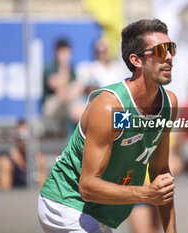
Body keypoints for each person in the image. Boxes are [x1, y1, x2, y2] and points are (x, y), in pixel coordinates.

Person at [38, 19, 178, 233]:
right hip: (66, 202)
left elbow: (160, 172)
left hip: (101, 212)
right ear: (136, 60)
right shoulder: (110, 108)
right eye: (161, 50)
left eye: (171, 48)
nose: (169, 57)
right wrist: (146, 193)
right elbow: (88, 186)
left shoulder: (169, 104)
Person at [0, 120, 47, 190]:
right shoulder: (6, 161)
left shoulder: (39, 159)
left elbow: (44, 188)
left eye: (27, 137)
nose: (24, 142)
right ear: (16, 139)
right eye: (21, 137)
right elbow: (4, 191)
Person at [42, 38, 80, 122]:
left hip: (69, 104)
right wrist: (63, 66)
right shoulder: (50, 67)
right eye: (62, 53)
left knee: (77, 105)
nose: (65, 56)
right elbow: (55, 86)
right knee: (71, 104)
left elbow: (77, 87)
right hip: (52, 105)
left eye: (66, 52)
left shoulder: (72, 68)